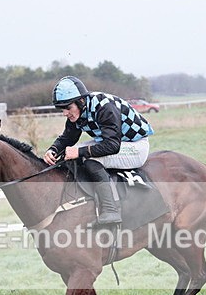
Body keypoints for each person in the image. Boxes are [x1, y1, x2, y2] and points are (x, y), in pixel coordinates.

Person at [43, 76, 154, 224]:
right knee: (67, 154)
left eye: (68, 108)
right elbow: (68, 138)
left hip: (135, 146)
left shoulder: (104, 107)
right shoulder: (79, 112)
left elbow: (113, 146)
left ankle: (110, 209)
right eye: (62, 109)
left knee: (89, 159)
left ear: (81, 101)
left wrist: (79, 152)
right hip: (114, 142)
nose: (65, 113)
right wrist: (53, 150)